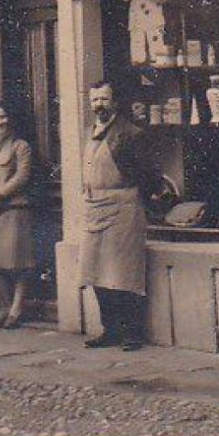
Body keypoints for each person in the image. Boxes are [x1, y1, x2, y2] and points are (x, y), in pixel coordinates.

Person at [79, 79, 158, 351]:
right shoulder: (90, 133)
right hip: (94, 207)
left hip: (123, 206)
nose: (98, 105)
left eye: (103, 99)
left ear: (114, 102)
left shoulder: (130, 133)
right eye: (94, 100)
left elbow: (148, 175)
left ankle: (132, 333)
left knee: (123, 274)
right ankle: (109, 329)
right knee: (96, 273)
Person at [0, 102, 35, 329]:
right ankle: (4, 306)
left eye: (4, 117)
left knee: (18, 263)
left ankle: (16, 310)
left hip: (14, 209)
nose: (0, 122)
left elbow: (22, 176)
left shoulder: (21, 146)